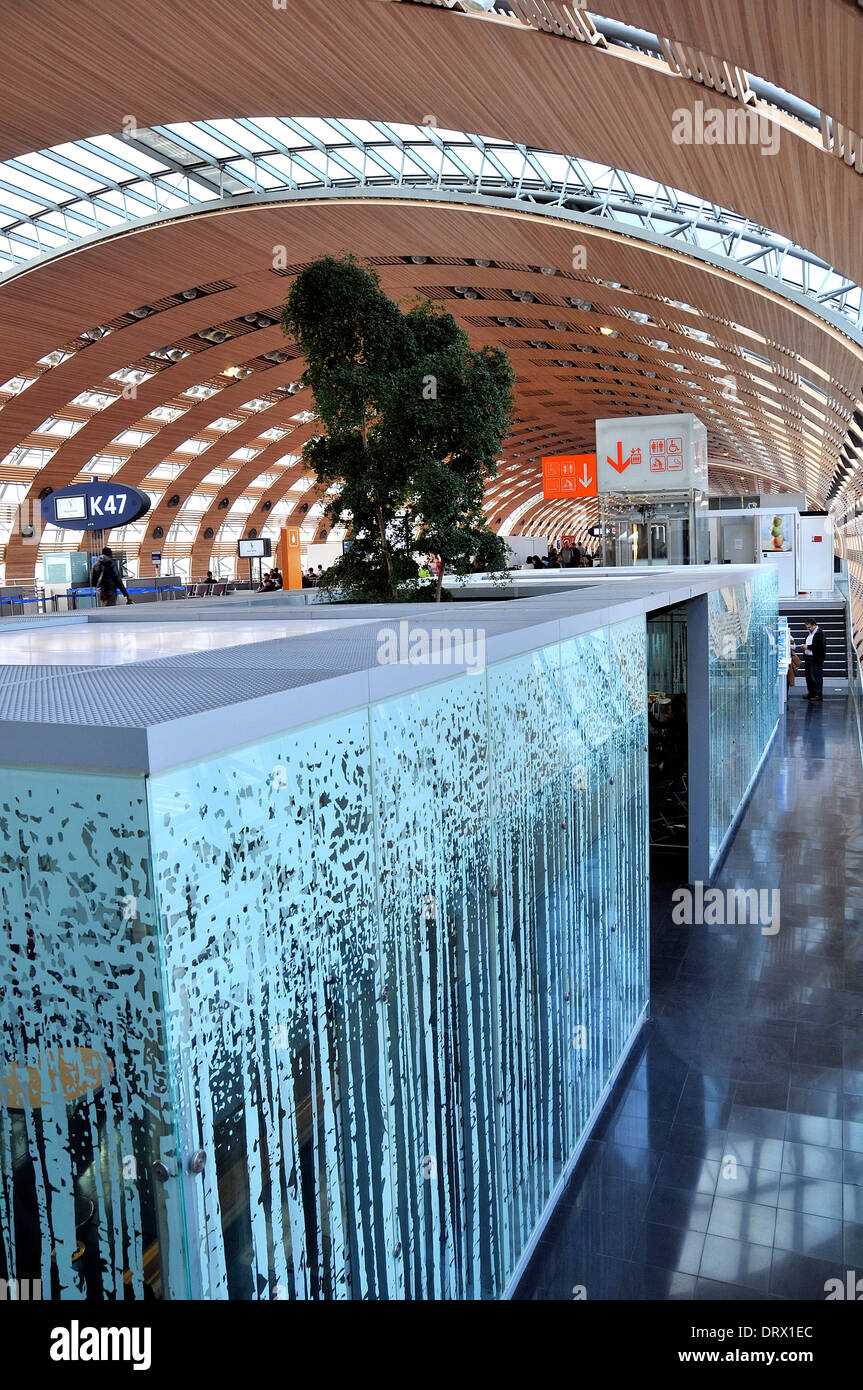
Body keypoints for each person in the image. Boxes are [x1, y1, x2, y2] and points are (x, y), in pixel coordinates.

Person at [803, 619, 826, 701]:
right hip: (808, 658)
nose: (808, 629)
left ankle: (818, 694)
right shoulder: (810, 634)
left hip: (815, 659)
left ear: (814, 625)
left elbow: (820, 647)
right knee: (808, 676)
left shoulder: (820, 633)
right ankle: (811, 692)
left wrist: (808, 647)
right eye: (807, 627)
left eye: (809, 627)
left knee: (816, 676)